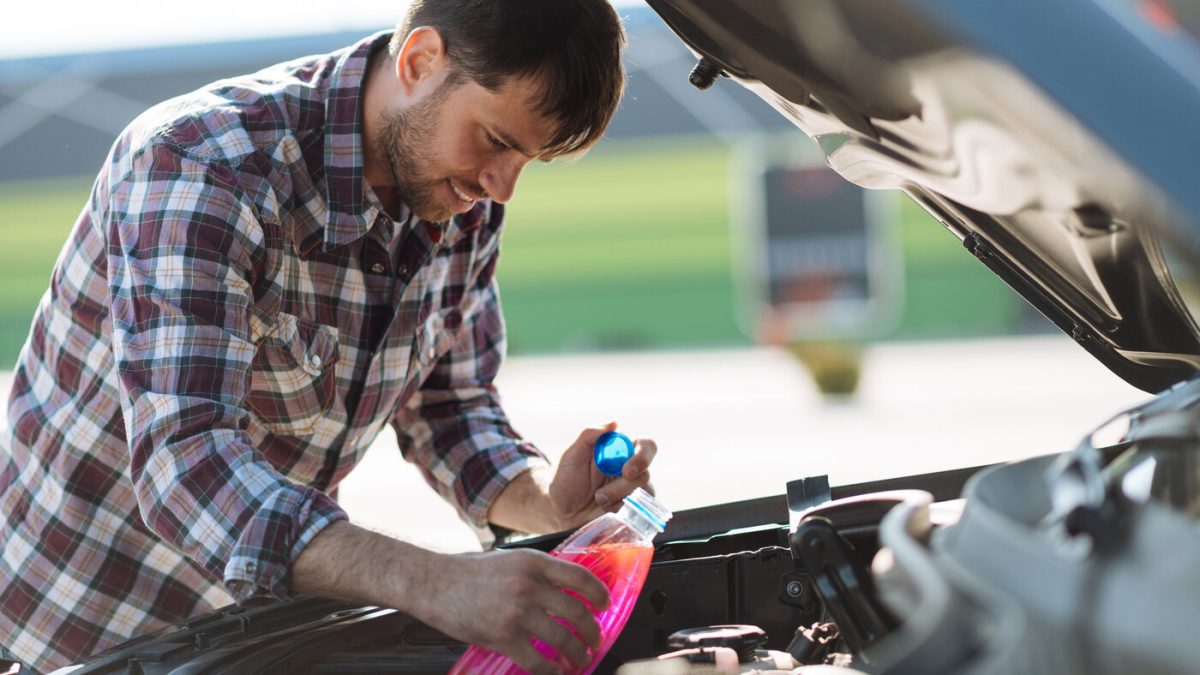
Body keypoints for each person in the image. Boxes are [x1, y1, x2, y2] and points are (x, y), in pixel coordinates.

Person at [0, 2, 655, 673]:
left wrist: (546, 500)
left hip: (243, 642)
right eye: (496, 140)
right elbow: (187, 464)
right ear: (420, 60)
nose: (502, 188)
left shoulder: (462, 199)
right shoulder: (204, 163)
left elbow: (450, 408)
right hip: (61, 639)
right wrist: (438, 582)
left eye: (530, 160)